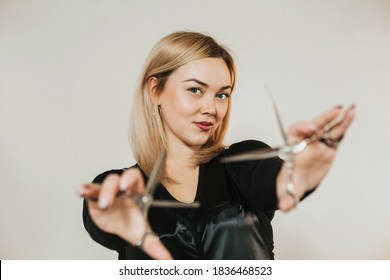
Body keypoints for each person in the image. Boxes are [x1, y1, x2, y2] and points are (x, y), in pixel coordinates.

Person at [79, 31, 355, 260]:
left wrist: (298, 176)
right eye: (195, 90)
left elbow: (277, 182)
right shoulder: (120, 186)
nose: (211, 108)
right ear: (155, 90)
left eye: (222, 94)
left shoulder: (243, 162)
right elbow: (104, 223)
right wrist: (110, 221)